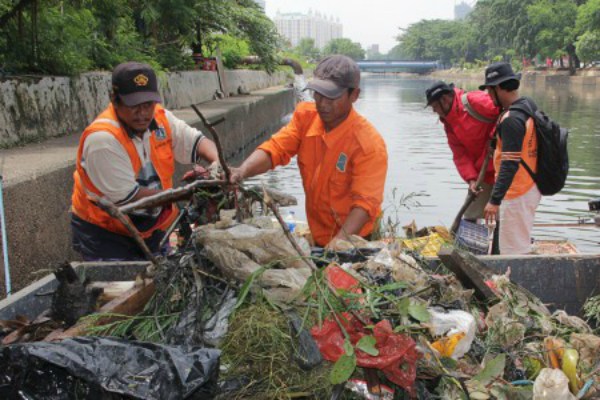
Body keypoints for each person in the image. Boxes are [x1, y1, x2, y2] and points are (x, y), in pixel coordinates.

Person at [229, 55, 388, 248]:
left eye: (332, 97)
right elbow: (276, 148)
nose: (322, 103)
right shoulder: (306, 117)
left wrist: (338, 245)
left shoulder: (368, 144)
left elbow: (364, 205)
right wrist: (241, 171)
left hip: (355, 240)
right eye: (318, 94)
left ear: (354, 95)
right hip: (319, 235)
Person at [71, 61, 219, 260]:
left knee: (161, 279)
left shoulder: (160, 119)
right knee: (121, 286)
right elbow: (131, 198)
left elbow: (198, 141)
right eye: (134, 106)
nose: (142, 114)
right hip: (106, 233)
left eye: (148, 105)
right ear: (115, 100)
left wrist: (217, 166)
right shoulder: (103, 139)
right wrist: (189, 192)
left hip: (151, 226)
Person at [480, 62, 541, 254]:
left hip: (517, 191)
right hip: (530, 185)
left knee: (512, 251)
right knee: (514, 242)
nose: (489, 97)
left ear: (499, 88)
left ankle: (516, 283)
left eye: (490, 91)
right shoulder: (526, 105)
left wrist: (494, 200)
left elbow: (509, 164)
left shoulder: (512, 120)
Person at [425, 81, 500, 221]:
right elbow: (460, 156)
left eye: (435, 106)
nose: (434, 111)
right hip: (483, 173)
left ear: (445, 100)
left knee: (501, 216)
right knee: (470, 215)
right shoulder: (449, 124)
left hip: (503, 168)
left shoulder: (474, 101)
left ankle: (501, 242)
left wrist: (494, 136)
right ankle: (470, 243)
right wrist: (471, 179)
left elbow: (506, 114)